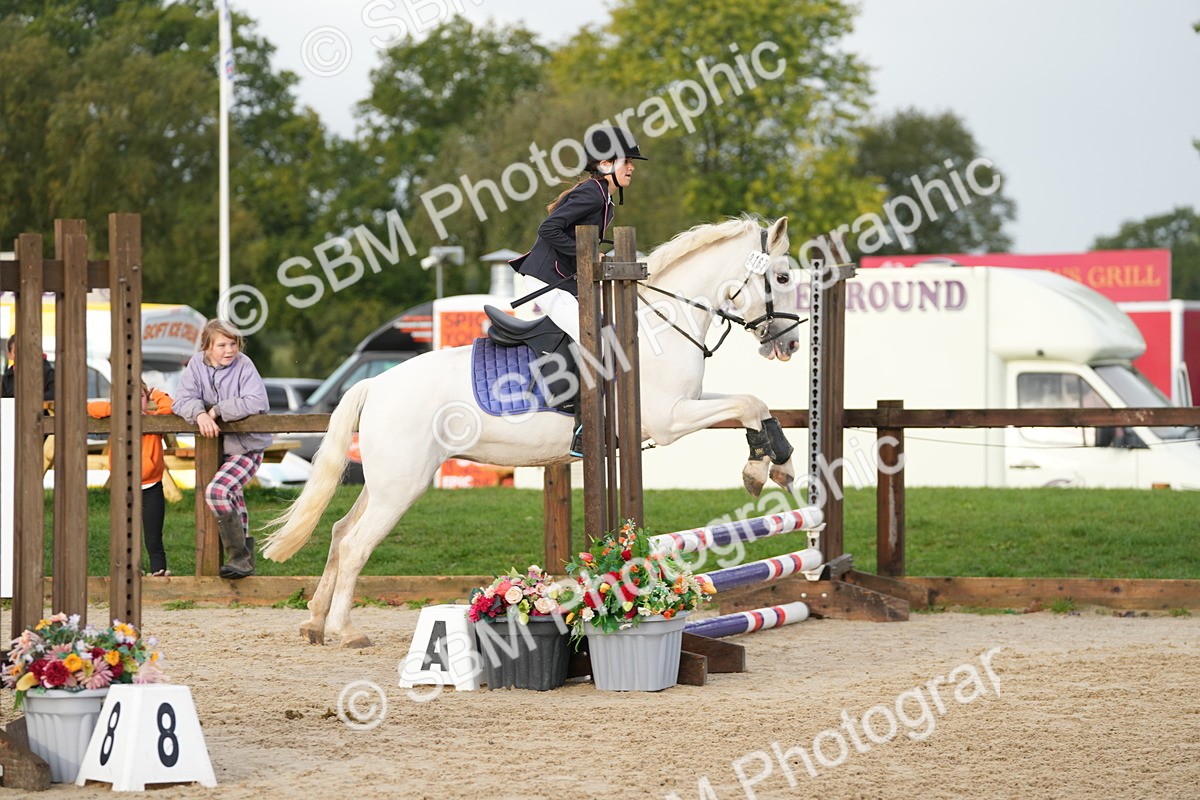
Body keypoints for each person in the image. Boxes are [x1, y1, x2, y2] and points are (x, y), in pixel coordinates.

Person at [509, 125, 648, 456]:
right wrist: (587, 253)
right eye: (626, 161)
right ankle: (583, 429)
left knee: (600, 333)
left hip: (559, 279)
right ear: (605, 164)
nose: (631, 167)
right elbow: (548, 229)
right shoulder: (592, 194)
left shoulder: (603, 196)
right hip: (546, 279)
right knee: (594, 338)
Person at [174, 319, 270, 579]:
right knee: (233, 498)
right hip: (219, 448)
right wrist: (200, 414)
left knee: (217, 492)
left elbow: (257, 401)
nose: (230, 350)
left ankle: (239, 558)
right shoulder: (196, 365)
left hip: (248, 446)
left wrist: (217, 410)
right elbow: (181, 400)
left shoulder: (244, 365)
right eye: (222, 345)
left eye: (233, 344)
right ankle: (244, 564)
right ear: (207, 347)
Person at [88, 382, 175, 576]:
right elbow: (92, 408)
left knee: (153, 536)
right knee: (126, 535)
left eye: (140, 397)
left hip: (151, 488)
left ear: (147, 399)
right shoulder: (116, 419)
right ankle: (130, 571)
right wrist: (119, 409)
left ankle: (159, 571)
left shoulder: (155, 420)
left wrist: (157, 394)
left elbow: (170, 408)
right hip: (124, 489)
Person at [1, 334, 56, 401]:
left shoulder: (47, 372)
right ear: (9, 355)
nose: (22, 355)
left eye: (25, 350)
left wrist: (33, 399)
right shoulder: (7, 378)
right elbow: (4, 402)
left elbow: (55, 394)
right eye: (17, 352)